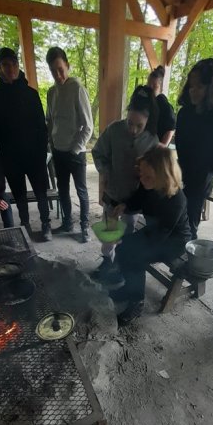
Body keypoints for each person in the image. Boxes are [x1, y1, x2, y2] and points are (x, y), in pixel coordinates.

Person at [108, 146, 190, 325]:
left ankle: (136, 302)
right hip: (154, 231)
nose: (142, 180)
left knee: (135, 256)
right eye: (141, 175)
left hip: (173, 241)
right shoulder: (148, 185)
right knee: (124, 249)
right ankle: (129, 289)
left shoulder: (176, 200)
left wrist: (124, 239)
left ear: (165, 176)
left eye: (148, 177)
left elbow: (159, 237)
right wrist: (124, 206)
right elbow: (137, 199)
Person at [92, 85, 159, 282]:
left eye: (139, 126)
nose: (133, 129)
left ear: (148, 121)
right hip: (112, 193)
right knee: (109, 233)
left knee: (127, 235)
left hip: (133, 199)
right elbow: (98, 153)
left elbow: (155, 175)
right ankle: (107, 260)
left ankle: (120, 266)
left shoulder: (152, 141)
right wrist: (106, 171)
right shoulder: (114, 129)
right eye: (130, 123)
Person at [0, 47, 52, 241]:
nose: (11, 68)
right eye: (6, 65)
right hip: (11, 156)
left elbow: (42, 126)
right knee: (20, 195)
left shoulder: (31, 93)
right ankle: (24, 225)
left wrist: (42, 154)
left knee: (41, 192)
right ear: (0, 67)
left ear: (18, 66)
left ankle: (45, 224)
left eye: (14, 64)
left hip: (34, 155)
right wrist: (4, 156)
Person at [175, 58, 213, 240]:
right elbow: (181, 145)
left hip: (201, 178)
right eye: (191, 86)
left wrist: (207, 174)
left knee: (190, 221)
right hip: (181, 172)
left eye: (199, 87)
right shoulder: (185, 113)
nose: (193, 91)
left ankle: (188, 253)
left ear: (211, 89)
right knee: (174, 214)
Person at [45, 46, 93, 243]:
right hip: (58, 151)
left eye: (60, 69)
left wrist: (74, 149)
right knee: (62, 190)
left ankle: (84, 226)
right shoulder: (51, 92)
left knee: (81, 191)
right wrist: (51, 143)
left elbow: (88, 126)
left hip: (76, 153)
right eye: (53, 71)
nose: (58, 75)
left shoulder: (77, 88)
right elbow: (50, 121)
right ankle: (67, 223)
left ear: (68, 66)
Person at [147, 65, 176, 146]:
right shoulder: (145, 101)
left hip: (157, 146)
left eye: (154, 86)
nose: (150, 88)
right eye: (148, 85)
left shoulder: (164, 105)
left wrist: (161, 147)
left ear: (160, 87)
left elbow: (171, 128)